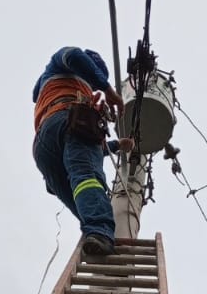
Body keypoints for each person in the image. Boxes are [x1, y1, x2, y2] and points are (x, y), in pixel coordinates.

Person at [32, 46, 134, 257]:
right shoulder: (64, 64)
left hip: (45, 143)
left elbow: (87, 150)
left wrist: (117, 145)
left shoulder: (49, 84)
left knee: (83, 202)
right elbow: (74, 56)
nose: (93, 87)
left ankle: (97, 236)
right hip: (72, 122)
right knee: (88, 178)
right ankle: (100, 232)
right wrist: (108, 90)